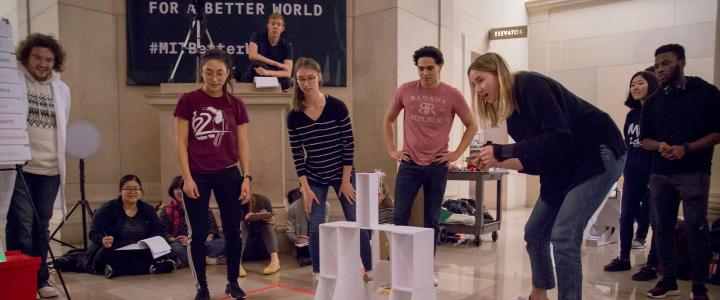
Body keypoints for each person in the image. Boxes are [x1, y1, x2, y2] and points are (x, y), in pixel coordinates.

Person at [468, 52, 626, 300]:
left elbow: (558, 135)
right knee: (535, 232)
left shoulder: (529, 84)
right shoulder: (512, 115)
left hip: (598, 150)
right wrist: (498, 160)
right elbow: (538, 159)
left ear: (497, 72)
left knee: (564, 235)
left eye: (480, 80)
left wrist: (503, 150)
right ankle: (538, 293)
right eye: (473, 84)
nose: (477, 89)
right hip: (565, 163)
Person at [383, 46, 477, 285]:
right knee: (400, 216)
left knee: (432, 219)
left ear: (439, 67)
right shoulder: (405, 90)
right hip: (409, 164)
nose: (425, 73)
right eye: (421, 68)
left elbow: (471, 125)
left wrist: (456, 153)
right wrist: (392, 150)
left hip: (437, 165)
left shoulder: (452, 94)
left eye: (429, 68)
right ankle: (398, 267)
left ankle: (427, 268)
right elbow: (388, 119)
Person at [640, 44, 720, 300]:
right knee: (663, 227)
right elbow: (645, 139)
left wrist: (687, 148)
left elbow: (717, 132)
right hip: (660, 172)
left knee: (696, 227)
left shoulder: (705, 93)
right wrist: (659, 145)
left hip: (694, 172)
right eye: (657, 65)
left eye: (666, 63)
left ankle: (699, 285)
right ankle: (668, 279)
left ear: (682, 62)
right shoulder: (652, 102)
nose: (660, 69)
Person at [174, 48, 252, 300]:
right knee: (197, 234)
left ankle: (232, 282)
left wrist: (246, 177)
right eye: (209, 73)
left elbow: (243, 144)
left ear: (228, 73)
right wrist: (186, 177)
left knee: (233, 231)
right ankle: (202, 287)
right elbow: (180, 142)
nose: (215, 78)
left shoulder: (236, 105)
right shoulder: (188, 100)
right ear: (201, 72)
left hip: (229, 174)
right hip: (198, 174)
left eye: (220, 73)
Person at [286, 57, 372, 282]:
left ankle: (369, 267)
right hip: (314, 175)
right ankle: (317, 271)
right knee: (315, 225)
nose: (306, 83)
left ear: (319, 78)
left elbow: (348, 143)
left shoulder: (336, 106)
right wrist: (304, 187)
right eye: (301, 79)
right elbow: (297, 154)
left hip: (342, 172)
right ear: (296, 80)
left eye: (311, 78)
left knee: (356, 219)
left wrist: (345, 180)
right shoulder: (294, 115)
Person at [1, 33, 71, 298]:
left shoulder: (62, 89)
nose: (43, 64)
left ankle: (41, 278)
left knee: (41, 226)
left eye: (49, 60)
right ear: (26, 57)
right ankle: (21, 280)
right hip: (20, 166)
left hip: (50, 169)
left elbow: (61, 127)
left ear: (56, 62)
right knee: (20, 224)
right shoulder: (13, 82)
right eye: (37, 58)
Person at [603, 71, 658, 273]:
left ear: (651, 85)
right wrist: (625, 172)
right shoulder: (632, 115)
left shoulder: (658, 112)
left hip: (653, 174)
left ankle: (653, 263)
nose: (634, 87)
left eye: (640, 83)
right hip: (633, 172)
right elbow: (628, 144)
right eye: (632, 84)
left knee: (656, 220)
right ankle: (624, 258)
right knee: (625, 217)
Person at [82, 175, 175, 278]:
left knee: (161, 252)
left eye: (136, 189)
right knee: (105, 254)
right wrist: (102, 240)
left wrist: (150, 242)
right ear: (120, 191)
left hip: (139, 249)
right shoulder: (109, 208)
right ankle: (152, 268)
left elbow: (157, 230)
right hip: (115, 249)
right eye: (128, 189)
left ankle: (116, 269)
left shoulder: (148, 210)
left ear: (141, 191)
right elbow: (94, 231)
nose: (132, 192)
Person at [159, 176, 225, 269]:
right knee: (173, 248)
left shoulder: (203, 207)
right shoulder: (166, 210)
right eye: (177, 188)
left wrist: (196, 240)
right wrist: (176, 240)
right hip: (180, 244)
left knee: (222, 243)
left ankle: (186, 261)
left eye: (183, 188)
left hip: (201, 243)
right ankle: (207, 260)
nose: (180, 191)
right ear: (172, 191)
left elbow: (212, 229)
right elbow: (163, 233)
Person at [240, 13, 294, 90]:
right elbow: (252, 55)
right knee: (256, 64)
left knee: (287, 81)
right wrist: (276, 64)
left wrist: (267, 72)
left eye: (278, 25)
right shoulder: (257, 36)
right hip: (258, 71)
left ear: (282, 29)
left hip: (272, 74)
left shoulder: (287, 46)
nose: (275, 26)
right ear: (268, 26)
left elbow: (287, 73)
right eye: (273, 23)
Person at [285, 187, 329, 267]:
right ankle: (312, 259)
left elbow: (324, 227)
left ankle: (312, 259)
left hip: (317, 239)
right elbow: (289, 230)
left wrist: (312, 238)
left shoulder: (325, 205)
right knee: (305, 250)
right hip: (302, 242)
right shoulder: (293, 207)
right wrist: (297, 239)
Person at [240, 193, 280, 276]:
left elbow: (274, 227)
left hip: (263, 247)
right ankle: (236, 263)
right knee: (242, 224)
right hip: (244, 248)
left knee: (266, 224)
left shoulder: (263, 200)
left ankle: (275, 261)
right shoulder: (233, 203)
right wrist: (244, 220)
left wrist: (270, 220)